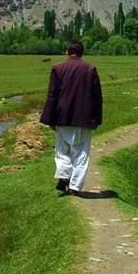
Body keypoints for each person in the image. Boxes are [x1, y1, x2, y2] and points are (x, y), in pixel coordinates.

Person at [39, 40, 103, 196]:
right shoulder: (90, 69)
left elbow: (52, 96)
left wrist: (49, 119)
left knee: (62, 150)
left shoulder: (57, 68)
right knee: (81, 153)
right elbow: (97, 97)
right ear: (82, 53)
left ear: (68, 51)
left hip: (62, 116)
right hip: (83, 118)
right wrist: (97, 119)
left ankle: (63, 176)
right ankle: (75, 186)